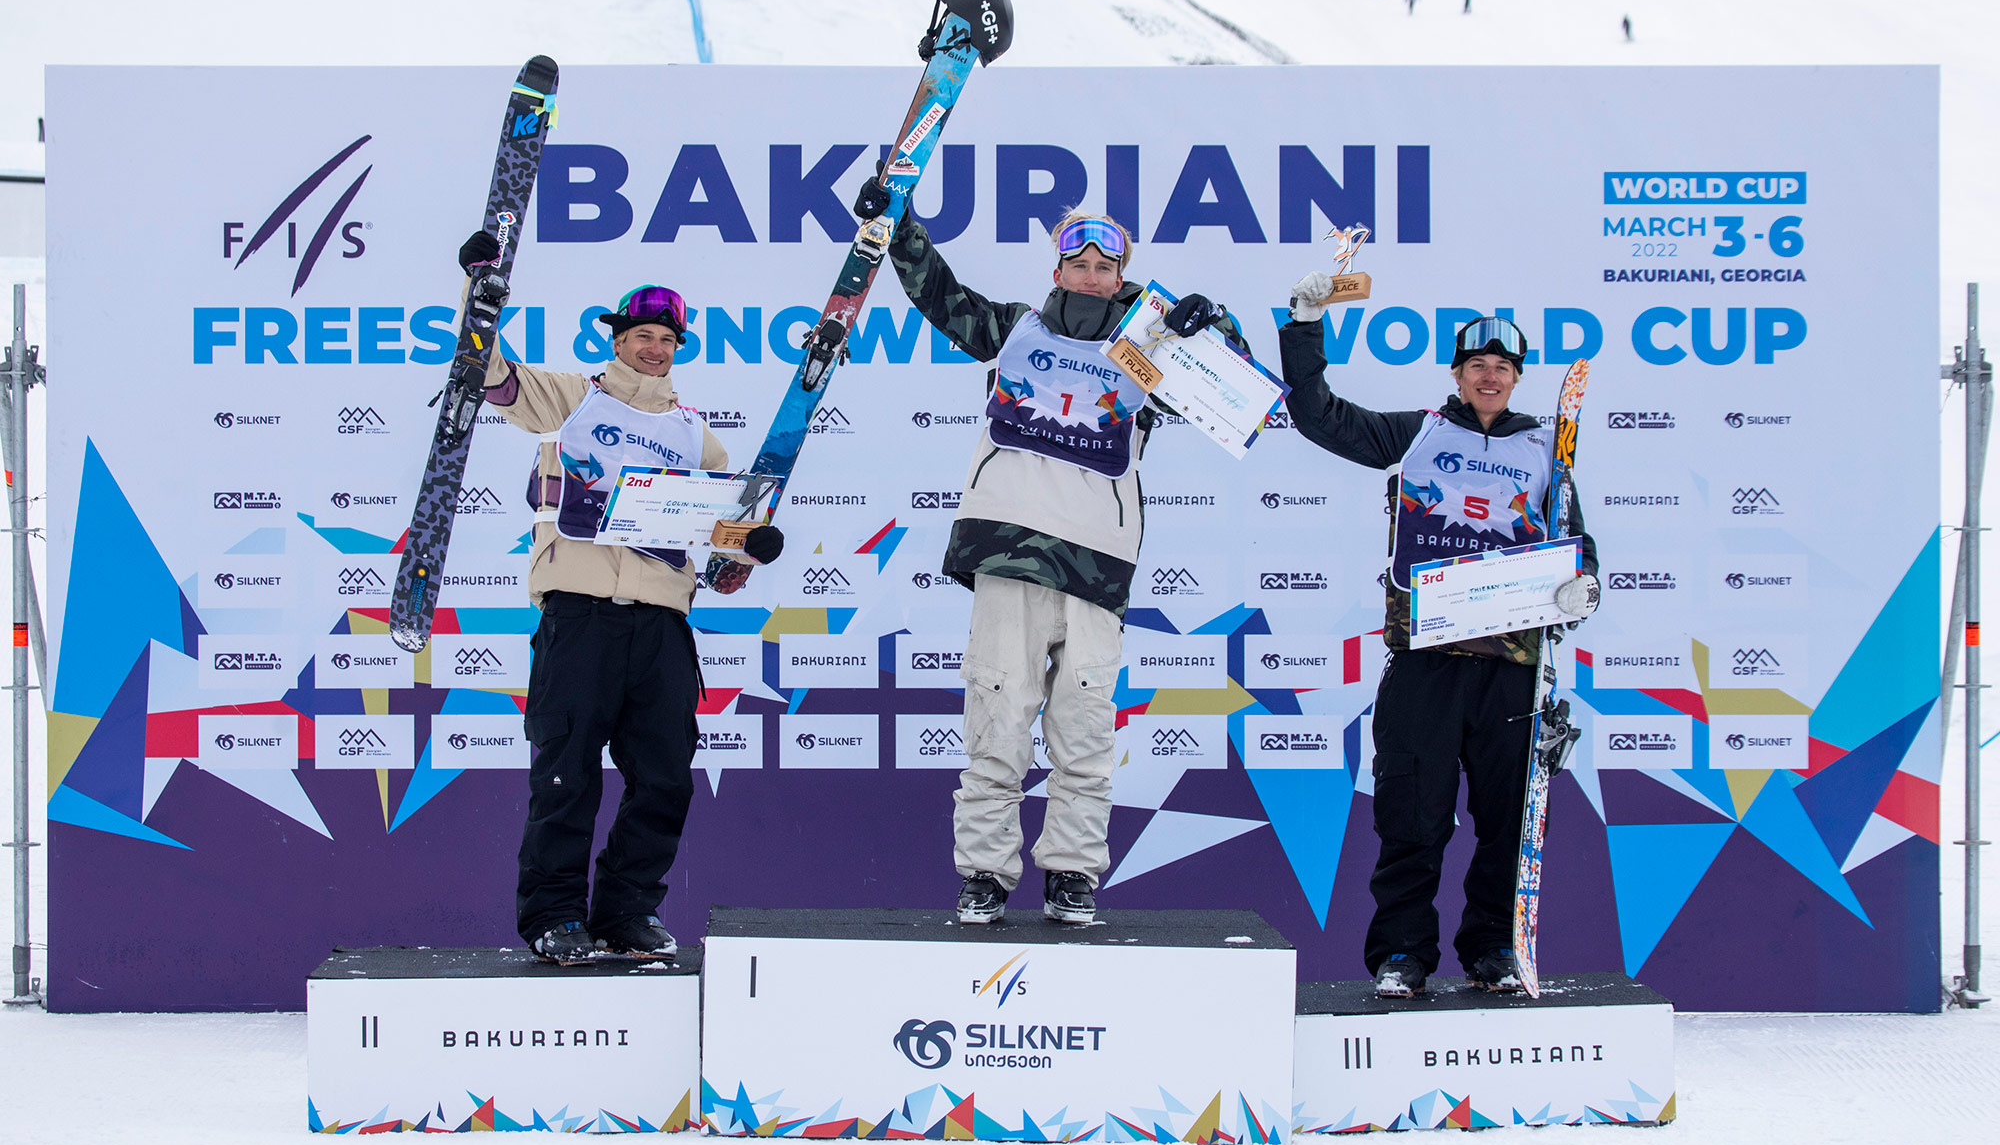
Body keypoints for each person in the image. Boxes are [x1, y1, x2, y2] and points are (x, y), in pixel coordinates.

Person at [852, 173, 1246, 924]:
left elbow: (1237, 390)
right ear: (1057, 270)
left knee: (1085, 728)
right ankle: (985, 874)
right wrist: (895, 222)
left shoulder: (1150, 357)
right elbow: (940, 295)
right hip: (1011, 552)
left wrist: (1213, 322)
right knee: (998, 720)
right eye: (1079, 261)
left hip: (1098, 563)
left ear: (1121, 278)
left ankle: (1071, 872)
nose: (1092, 274)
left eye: (1107, 265)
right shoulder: (1015, 329)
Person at [455, 230, 785, 965]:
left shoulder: (697, 437)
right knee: (567, 772)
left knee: (665, 774)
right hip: (580, 612)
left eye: (667, 338)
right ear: (618, 338)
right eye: (642, 335)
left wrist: (749, 547)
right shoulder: (572, 399)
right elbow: (491, 375)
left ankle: (628, 912)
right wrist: (479, 295)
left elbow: (723, 544)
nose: (655, 348)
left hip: (663, 623)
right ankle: (553, 916)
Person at [1277, 281, 1599, 996]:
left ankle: (1493, 951)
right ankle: (1402, 955)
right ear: (1456, 374)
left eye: (1503, 367)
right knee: (1412, 818)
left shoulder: (1549, 454)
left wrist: (1584, 586)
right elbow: (1320, 417)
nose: (1490, 375)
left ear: (1517, 379)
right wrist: (1303, 327)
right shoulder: (1417, 433)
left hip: (1513, 667)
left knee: (1505, 822)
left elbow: (1578, 551)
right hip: (1425, 659)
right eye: (1477, 363)